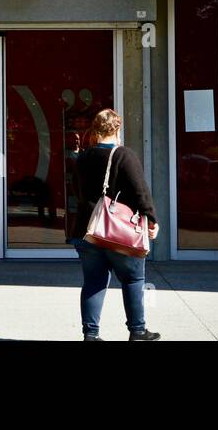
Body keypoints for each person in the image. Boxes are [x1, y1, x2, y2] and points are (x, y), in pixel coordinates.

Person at [69, 108, 160, 341]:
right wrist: (151, 219)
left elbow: (76, 191)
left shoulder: (83, 158)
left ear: (95, 129)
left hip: (87, 230)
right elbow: (140, 192)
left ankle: (91, 334)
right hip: (118, 232)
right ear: (117, 129)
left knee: (93, 282)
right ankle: (137, 331)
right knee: (133, 279)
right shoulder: (123, 155)